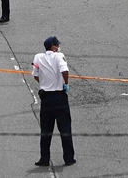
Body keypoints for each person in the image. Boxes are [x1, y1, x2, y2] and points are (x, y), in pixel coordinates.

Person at [32, 36, 75, 167]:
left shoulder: (38, 57)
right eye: (57, 45)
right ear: (53, 46)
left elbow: (35, 75)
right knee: (65, 129)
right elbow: (65, 70)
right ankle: (68, 158)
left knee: (46, 130)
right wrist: (65, 83)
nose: (58, 47)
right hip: (59, 97)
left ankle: (44, 158)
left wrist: (45, 84)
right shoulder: (58, 56)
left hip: (46, 98)